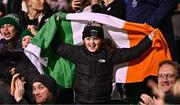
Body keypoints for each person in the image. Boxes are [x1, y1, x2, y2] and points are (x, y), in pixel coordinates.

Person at [51, 21, 155, 103]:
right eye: (88, 39)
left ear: (102, 40)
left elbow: (133, 53)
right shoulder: (77, 52)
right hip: (80, 101)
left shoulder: (110, 54)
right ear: (83, 40)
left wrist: (149, 38)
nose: (91, 43)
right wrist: (52, 24)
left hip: (102, 101)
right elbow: (57, 47)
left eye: (95, 39)